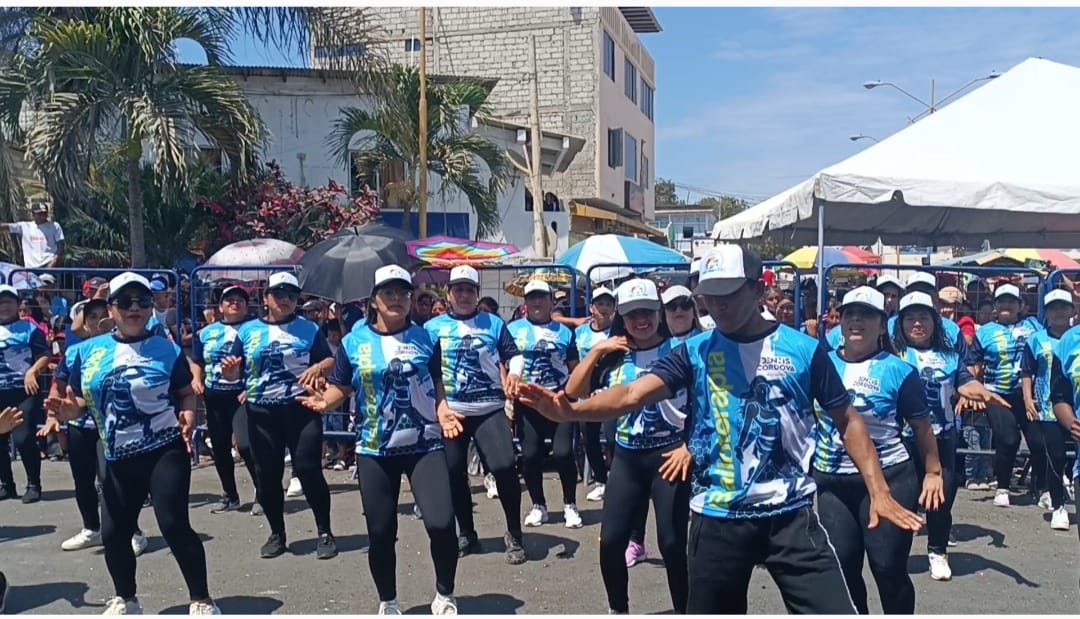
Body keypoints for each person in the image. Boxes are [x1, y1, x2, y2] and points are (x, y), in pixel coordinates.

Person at [518, 245, 923, 614]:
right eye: (710, 294)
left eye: (729, 293)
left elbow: (848, 419)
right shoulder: (696, 351)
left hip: (790, 516)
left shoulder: (803, 349)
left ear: (757, 290)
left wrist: (879, 491)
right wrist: (569, 411)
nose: (719, 304)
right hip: (718, 518)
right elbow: (631, 394)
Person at [46, 272, 219, 615]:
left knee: (173, 524)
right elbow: (78, 400)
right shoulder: (86, 352)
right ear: (111, 309)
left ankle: (201, 599)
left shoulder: (167, 349)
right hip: (116, 455)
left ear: (151, 307)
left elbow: (185, 392)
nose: (135, 308)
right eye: (126, 302)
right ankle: (126, 598)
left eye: (143, 301)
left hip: (163, 449)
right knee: (113, 533)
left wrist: (188, 413)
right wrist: (67, 411)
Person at [299, 265, 459, 615]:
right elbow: (342, 387)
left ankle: (445, 593)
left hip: (424, 445)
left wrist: (444, 408)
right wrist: (324, 402)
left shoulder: (427, 338)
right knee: (381, 531)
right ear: (374, 301)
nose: (397, 299)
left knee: (442, 523)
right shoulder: (353, 343)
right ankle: (388, 600)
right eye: (388, 293)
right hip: (374, 449)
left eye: (403, 293)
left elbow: (437, 382)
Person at [813, 286, 944, 613]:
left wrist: (933, 472)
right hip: (833, 482)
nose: (856, 320)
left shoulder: (899, 371)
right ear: (840, 322)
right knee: (841, 567)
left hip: (890, 478)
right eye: (850, 314)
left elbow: (922, 428)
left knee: (887, 567)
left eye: (867, 315)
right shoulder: (820, 364)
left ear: (883, 325)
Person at [564, 278, 689, 615]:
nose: (641, 320)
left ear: (660, 313)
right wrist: (597, 351)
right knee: (611, 541)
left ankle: (685, 610)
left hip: (669, 457)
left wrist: (688, 446)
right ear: (622, 316)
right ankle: (618, 610)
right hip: (627, 458)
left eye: (647, 311)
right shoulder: (614, 355)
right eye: (632, 314)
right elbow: (573, 392)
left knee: (672, 543)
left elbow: (703, 406)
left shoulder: (681, 351)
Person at [220, 271, 336, 559]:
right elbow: (235, 370)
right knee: (268, 476)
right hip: (261, 412)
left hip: (300, 409)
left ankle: (324, 531)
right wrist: (231, 373)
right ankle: (277, 533)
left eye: (292, 295)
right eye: (279, 294)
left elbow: (329, 358)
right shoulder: (248, 331)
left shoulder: (308, 328)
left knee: (308, 469)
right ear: (266, 297)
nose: (286, 300)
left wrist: (318, 368)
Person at [892, 291, 1004, 581]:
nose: (918, 323)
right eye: (911, 318)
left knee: (942, 499)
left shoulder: (950, 357)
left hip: (942, 439)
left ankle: (937, 551)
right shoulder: (892, 354)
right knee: (903, 500)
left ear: (935, 322)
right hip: (902, 442)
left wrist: (983, 394)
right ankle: (897, 553)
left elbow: (966, 383)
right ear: (901, 323)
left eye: (924, 317)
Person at [425, 266, 527, 565]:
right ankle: (467, 533)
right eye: (458, 289)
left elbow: (514, 355)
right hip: (452, 412)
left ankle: (514, 533)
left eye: (470, 290)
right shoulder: (432, 328)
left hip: (489, 409)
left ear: (477, 294)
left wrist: (515, 374)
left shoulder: (493, 323)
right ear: (448, 294)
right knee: (454, 472)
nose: (464, 295)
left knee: (505, 467)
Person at [38, 299, 150, 555]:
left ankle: (133, 531)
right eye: (92, 317)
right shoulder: (76, 351)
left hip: (111, 427)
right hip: (79, 425)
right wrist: (52, 417)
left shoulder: (124, 348)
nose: (98, 322)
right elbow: (59, 385)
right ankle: (91, 528)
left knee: (110, 481)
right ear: (84, 324)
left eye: (102, 316)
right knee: (82, 480)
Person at [508, 280, 581, 528]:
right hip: (528, 403)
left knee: (563, 453)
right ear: (525, 303)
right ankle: (538, 505)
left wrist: (573, 394)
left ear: (551, 301)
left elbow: (574, 367)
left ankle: (570, 504)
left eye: (541, 297)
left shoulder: (565, 332)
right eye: (532, 297)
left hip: (559, 400)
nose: (537, 302)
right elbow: (502, 361)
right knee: (530, 455)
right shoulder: (513, 329)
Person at [192, 285, 259, 515]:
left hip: (242, 395)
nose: (235, 303)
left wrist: (250, 388)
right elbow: (197, 360)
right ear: (220, 306)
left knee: (246, 445)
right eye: (229, 299)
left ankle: (263, 492)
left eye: (240, 299)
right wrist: (196, 379)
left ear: (247, 306)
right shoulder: (206, 332)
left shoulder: (255, 330)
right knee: (219, 447)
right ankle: (230, 495)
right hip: (214, 396)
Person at [973, 283, 1039, 507]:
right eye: (1001, 301)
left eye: (1011, 301)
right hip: (996, 394)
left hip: (1029, 393)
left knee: (1039, 440)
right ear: (995, 306)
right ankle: (1002, 487)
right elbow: (975, 364)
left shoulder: (1034, 326)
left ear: (1021, 305)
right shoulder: (984, 332)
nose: (1006, 305)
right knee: (1008, 438)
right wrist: (973, 392)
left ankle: (1043, 488)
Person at [1021, 289, 1074, 530]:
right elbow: (1027, 371)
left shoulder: (1076, 338)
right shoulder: (1036, 340)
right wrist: (1027, 399)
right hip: (1049, 408)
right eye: (1053, 308)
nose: (1059, 312)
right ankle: (1058, 505)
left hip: (1077, 407)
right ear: (1046, 312)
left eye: (1063, 307)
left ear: (1072, 310)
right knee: (1057, 456)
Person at [0, 284, 50, 503]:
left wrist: (33, 371)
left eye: (9, 301)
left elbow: (45, 355)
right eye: (1, 302)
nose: (5, 306)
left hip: (24, 392)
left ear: (17, 304)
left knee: (23, 438)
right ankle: (6, 484)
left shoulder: (29, 329)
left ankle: (33, 484)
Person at [575, 287, 616, 504]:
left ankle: (616, 480)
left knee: (612, 438)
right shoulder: (580, 333)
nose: (604, 308)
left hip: (612, 394)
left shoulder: (618, 333)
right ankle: (601, 481)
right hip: (587, 395)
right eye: (600, 304)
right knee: (589, 438)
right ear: (592, 308)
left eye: (609, 304)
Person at [5, 200, 64, 269]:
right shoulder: (25, 226)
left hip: (48, 264)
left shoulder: (54, 226)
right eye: (39, 214)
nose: (42, 216)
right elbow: (7, 227)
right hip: (30, 268)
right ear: (33, 214)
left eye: (44, 213)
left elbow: (60, 249)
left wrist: (50, 266)